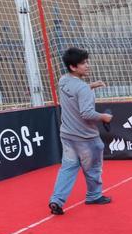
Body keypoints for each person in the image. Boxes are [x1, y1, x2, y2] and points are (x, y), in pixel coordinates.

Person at [48, 47, 112, 215]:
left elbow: (74, 91)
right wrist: (104, 117)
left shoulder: (63, 81)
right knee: (93, 169)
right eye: (83, 63)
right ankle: (94, 195)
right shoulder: (82, 89)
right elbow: (87, 113)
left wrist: (91, 86)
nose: (87, 65)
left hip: (67, 135)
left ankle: (56, 200)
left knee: (67, 168)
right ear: (73, 67)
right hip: (86, 138)